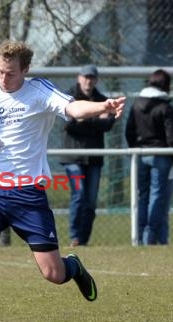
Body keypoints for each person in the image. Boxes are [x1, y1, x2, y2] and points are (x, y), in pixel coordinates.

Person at [0, 40, 126, 322]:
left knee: (53, 273)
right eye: (1, 72)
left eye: (12, 73)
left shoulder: (39, 91)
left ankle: (73, 267)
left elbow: (73, 109)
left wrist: (103, 106)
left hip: (28, 195)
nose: (5, 79)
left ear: (25, 70)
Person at [60, 65, 115, 247]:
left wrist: (85, 119)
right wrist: (96, 118)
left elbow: (108, 124)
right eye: (85, 77)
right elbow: (68, 125)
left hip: (94, 158)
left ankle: (83, 240)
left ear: (96, 80)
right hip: (72, 158)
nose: (88, 81)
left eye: (92, 78)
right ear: (79, 78)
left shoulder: (102, 99)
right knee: (79, 194)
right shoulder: (69, 98)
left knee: (91, 200)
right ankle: (74, 237)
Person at [125, 69, 173, 245]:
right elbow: (172, 136)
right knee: (157, 196)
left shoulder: (136, 104)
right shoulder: (165, 106)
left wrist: (136, 148)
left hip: (141, 154)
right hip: (161, 155)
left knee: (143, 195)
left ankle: (140, 234)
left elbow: (129, 131)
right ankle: (149, 236)